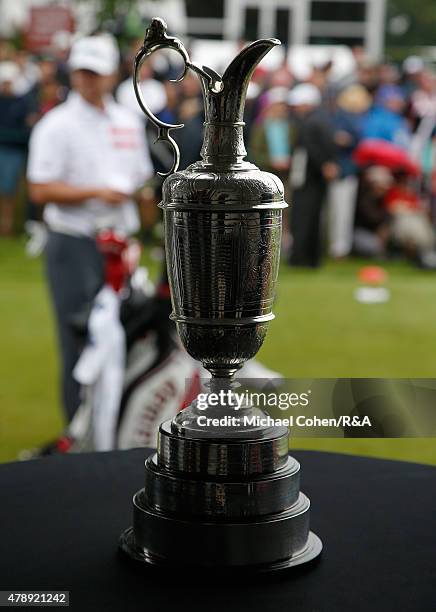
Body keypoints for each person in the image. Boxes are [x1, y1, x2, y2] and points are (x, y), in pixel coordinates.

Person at [27, 35, 153, 422]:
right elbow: (40, 188)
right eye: (81, 71)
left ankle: (113, 423)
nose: (86, 79)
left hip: (120, 245)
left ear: (111, 74)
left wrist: (139, 203)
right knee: (79, 339)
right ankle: (78, 430)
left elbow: (140, 177)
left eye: (94, 72)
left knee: (125, 336)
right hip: (74, 242)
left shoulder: (127, 120)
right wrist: (98, 193)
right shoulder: (56, 125)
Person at [288, 83, 338, 267]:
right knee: (313, 217)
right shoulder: (322, 119)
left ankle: (301, 258)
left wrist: (325, 164)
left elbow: (312, 148)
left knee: (303, 217)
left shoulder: (311, 122)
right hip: (315, 177)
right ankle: (311, 258)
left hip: (309, 178)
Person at [328, 84, 372, 258]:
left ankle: (339, 247)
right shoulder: (347, 119)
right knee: (339, 211)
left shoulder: (350, 119)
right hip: (342, 170)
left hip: (346, 170)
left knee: (340, 211)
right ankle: (338, 247)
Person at [0, 61, 33, 235]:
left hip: (13, 151)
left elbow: (24, 129)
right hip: (5, 149)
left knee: (9, 191)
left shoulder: (21, 102)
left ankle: (7, 227)